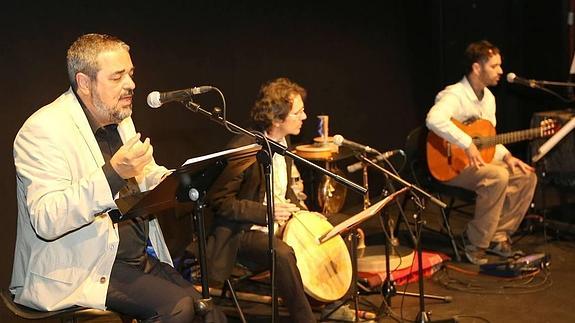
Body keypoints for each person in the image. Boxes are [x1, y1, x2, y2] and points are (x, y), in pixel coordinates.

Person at [10, 33, 226, 323]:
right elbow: (47, 218)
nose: (131, 84)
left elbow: (146, 174)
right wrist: (113, 174)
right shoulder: (42, 131)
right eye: (117, 77)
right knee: (177, 309)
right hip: (81, 267)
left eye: (131, 74)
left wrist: (175, 180)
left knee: (208, 311)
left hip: (133, 259)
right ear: (84, 82)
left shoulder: (119, 118)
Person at [206, 77, 321, 322]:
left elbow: (285, 191)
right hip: (241, 232)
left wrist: (306, 214)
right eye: (298, 112)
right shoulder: (244, 148)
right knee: (281, 253)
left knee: (330, 230)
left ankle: (326, 300)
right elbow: (220, 201)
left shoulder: (284, 143)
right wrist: (266, 213)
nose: (304, 117)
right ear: (278, 118)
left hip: (276, 223)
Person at [426, 40, 538, 265]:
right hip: (449, 165)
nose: (501, 71)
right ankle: (475, 243)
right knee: (498, 176)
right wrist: (466, 142)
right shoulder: (454, 95)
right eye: (494, 66)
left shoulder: (489, 99)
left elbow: (486, 141)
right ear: (477, 68)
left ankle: (498, 235)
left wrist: (507, 156)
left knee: (526, 175)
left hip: (476, 163)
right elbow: (433, 119)